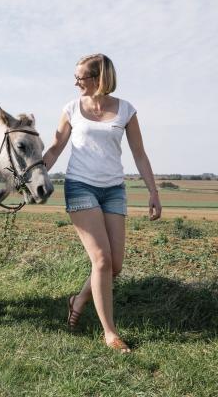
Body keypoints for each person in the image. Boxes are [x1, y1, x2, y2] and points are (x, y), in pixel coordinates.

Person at [42, 53, 162, 353]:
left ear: (99, 78)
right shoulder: (71, 108)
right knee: (101, 260)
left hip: (113, 190)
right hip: (80, 185)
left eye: (81, 77)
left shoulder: (126, 110)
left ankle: (79, 299)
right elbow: (56, 148)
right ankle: (109, 333)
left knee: (115, 265)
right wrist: (34, 175)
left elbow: (139, 153)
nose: (76, 82)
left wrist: (153, 191)